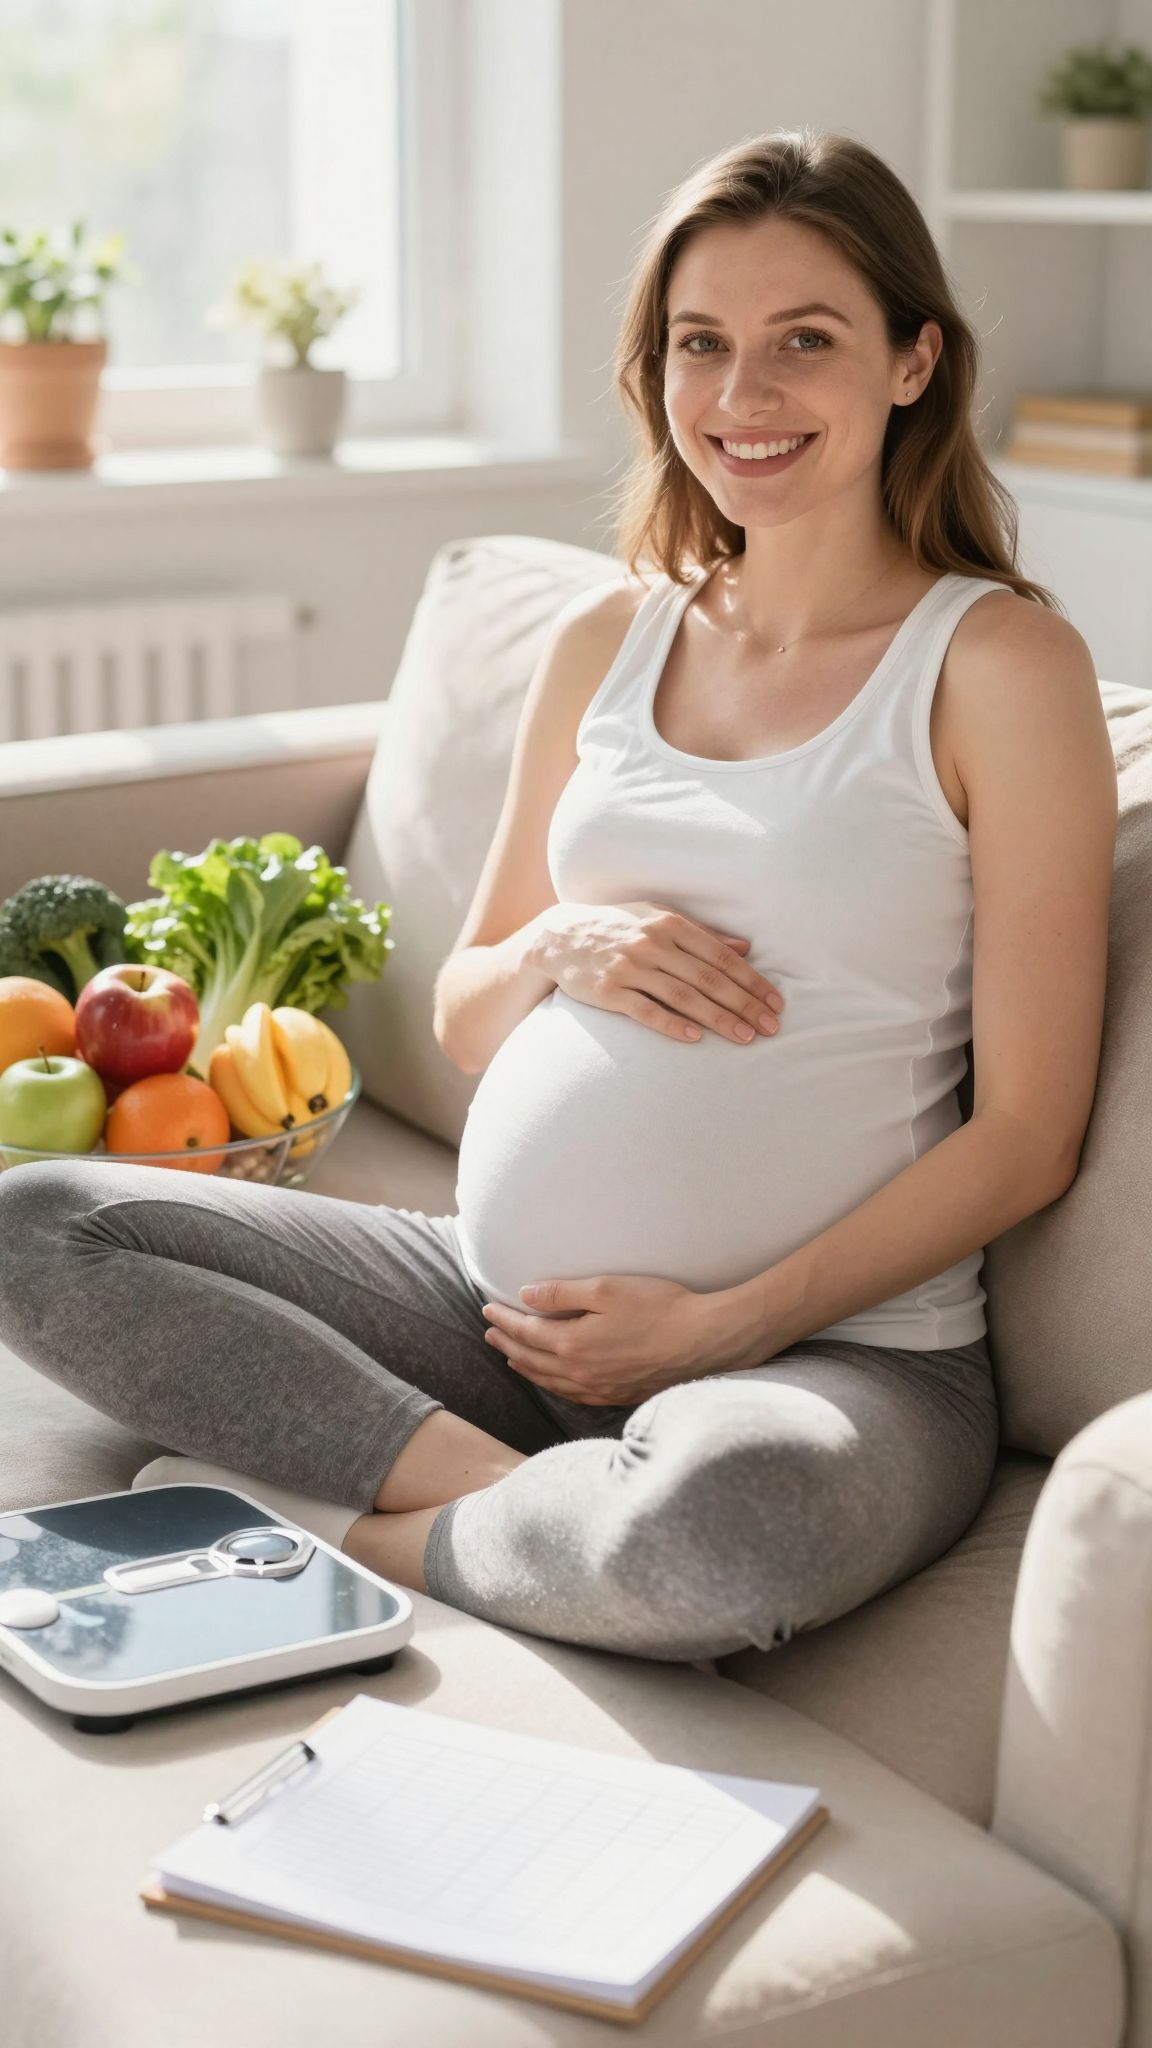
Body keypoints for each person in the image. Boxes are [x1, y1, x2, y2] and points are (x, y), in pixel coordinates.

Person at [0, 128, 1117, 1665]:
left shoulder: (996, 667)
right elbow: (467, 1012)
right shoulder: (611, 639)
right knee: (37, 1224)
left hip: (833, 1355)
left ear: (915, 361)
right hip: (489, 1300)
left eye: (808, 342)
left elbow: (1029, 1135)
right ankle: (514, 1501)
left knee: (716, 1547)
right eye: (700, 345)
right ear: (651, 372)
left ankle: (352, 1526)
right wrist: (556, 940)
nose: (744, 396)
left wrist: (729, 1323)